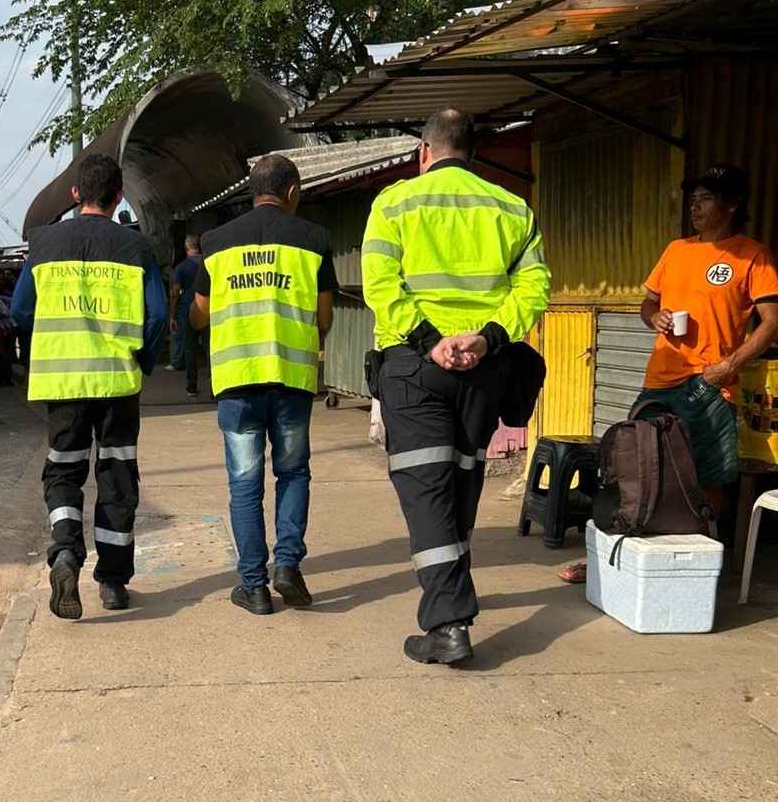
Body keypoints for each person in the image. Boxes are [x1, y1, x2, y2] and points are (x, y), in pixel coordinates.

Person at [362, 107, 551, 664]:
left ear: (424, 152)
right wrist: (488, 338)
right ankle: (449, 606)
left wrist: (430, 341)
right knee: (461, 486)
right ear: (473, 152)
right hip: (483, 372)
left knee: (427, 493)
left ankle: (448, 623)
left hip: (415, 369)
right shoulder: (511, 207)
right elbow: (535, 286)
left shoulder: (394, 202)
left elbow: (380, 284)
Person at [558, 163, 778, 584]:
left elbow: (772, 322)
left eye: (706, 198)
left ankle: (697, 560)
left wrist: (728, 366)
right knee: (636, 463)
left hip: (712, 382)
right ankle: (620, 551)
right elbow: (648, 302)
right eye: (693, 199)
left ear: (732, 205)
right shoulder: (676, 250)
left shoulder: (752, 255)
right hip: (660, 376)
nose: (695, 206)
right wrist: (653, 317)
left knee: (709, 471)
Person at [10, 153, 167, 619]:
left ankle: (63, 553)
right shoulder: (137, 249)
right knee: (116, 477)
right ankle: (114, 583)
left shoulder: (42, 243)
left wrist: (51, 341)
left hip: (63, 382)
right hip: (118, 383)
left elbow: (20, 310)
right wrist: (142, 359)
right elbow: (157, 316)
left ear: (76, 195)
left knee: (63, 472)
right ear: (119, 196)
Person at [189, 154, 337, 616]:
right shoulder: (313, 239)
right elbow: (325, 317)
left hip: (237, 383)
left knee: (244, 485)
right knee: (292, 473)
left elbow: (199, 314)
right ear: (291, 192)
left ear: (252, 191)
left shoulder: (215, 243)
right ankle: (288, 566)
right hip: (291, 381)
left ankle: (253, 587)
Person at [169, 234, 205, 397]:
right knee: (210, 347)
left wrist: (172, 315)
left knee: (190, 348)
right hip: (209, 310)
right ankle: (215, 386)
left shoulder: (182, 267)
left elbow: (175, 293)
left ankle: (192, 386)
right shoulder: (209, 263)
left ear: (186, 248)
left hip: (188, 311)